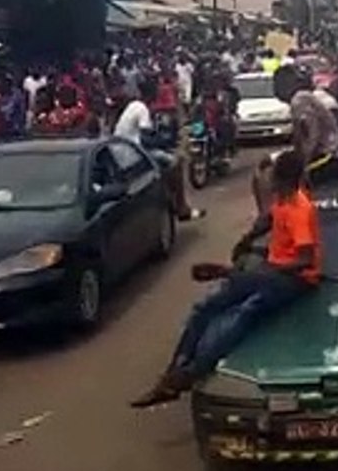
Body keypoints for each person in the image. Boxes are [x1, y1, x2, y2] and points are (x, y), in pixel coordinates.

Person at [131, 150, 320, 408]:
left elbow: (306, 260)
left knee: (245, 311)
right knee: (206, 307)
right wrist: (246, 241)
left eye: (274, 175)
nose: (270, 178)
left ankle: (191, 373)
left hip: (296, 279)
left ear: (285, 179)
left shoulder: (300, 209)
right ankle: (173, 370)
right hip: (272, 271)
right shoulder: (282, 201)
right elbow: (268, 221)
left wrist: (268, 269)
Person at [114, 80, 205, 222]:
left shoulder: (133, 106)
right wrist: (166, 141)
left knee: (165, 156)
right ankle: (182, 208)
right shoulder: (142, 109)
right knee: (176, 162)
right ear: (153, 94)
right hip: (133, 154)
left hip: (122, 153)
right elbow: (146, 139)